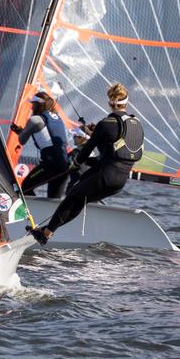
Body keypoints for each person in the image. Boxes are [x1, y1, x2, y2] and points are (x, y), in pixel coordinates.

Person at [29, 82, 144, 244]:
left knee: (73, 195)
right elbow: (115, 146)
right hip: (120, 182)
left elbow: (85, 151)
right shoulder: (136, 124)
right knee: (81, 199)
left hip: (105, 175)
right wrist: (94, 133)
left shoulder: (105, 124)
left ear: (110, 103)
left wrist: (75, 164)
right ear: (126, 102)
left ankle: (46, 233)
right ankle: (46, 230)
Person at [10, 92, 71, 197]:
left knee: (25, 187)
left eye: (33, 104)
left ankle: (32, 213)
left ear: (38, 105)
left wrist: (21, 133)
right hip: (64, 165)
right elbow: (47, 135)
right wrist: (23, 132)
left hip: (50, 165)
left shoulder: (34, 119)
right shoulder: (57, 118)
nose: (31, 107)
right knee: (53, 200)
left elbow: (22, 141)